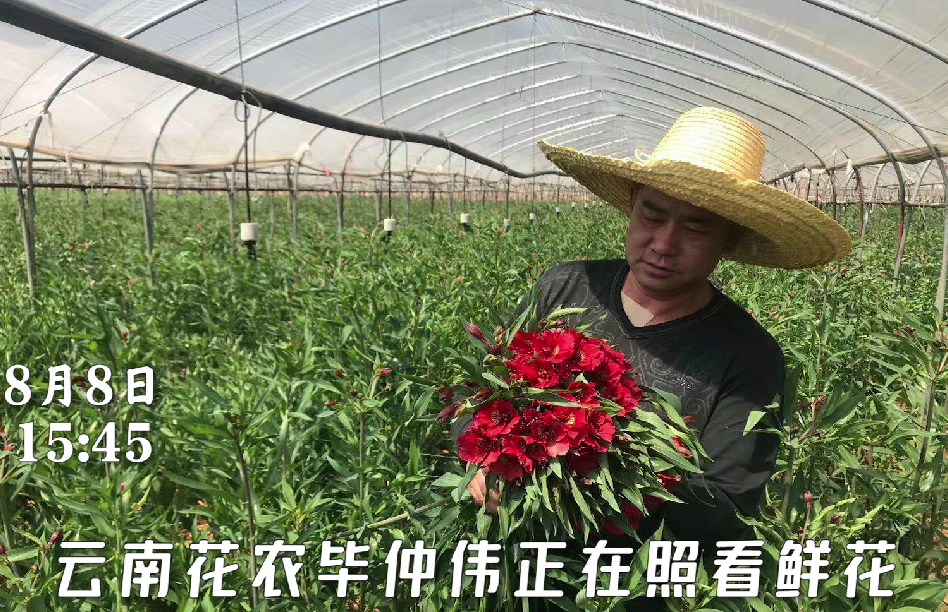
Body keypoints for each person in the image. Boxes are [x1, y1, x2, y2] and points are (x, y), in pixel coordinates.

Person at [450, 107, 852, 610]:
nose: (663, 244)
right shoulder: (566, 287)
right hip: (518, 568)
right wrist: (479, 454)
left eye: (696, 227)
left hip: (631, 590)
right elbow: (479, 390)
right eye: (652, 215)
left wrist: (606, 480)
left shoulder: (748, 355)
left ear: (729, 238)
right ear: (632, 207)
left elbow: (728, 503)